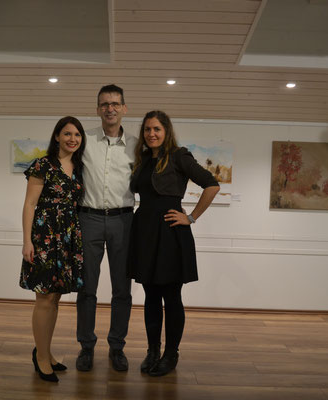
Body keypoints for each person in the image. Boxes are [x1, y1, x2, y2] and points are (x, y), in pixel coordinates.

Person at [128, 110, 220, 377]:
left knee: (172, 296)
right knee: (151, 296)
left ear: (166, 131)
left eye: (156, 129)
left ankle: (171, 354)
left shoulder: (179, 155)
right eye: (147, 129)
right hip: (144, 230)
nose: (151, 134)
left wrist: (190, 217)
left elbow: (211, 185)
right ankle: (152, 351)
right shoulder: (143, 159)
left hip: (170, 232)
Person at [76, 84, 137, 372]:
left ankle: (116, 347)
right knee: (87, 288)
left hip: (124, 221)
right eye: (104, 104)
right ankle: (86, 346)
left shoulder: (138, 146)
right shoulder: (84, 141)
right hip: (87, 219)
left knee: (122, 289)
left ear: (124, 108)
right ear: (97, 108)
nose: (110, 108)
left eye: (115, 103)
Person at [20, 116, 86, 382]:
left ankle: (45, 351)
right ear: (57, 136)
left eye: (77, 135)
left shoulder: (79, 167)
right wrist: (27, 241)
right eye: (67, 134)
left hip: (68, 237)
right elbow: (29, 205)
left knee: (56, 298)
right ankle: (41, 357)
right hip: (45, 237)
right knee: (44, 298)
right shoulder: (43, 165)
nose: (72, 139)